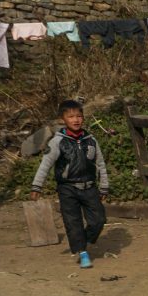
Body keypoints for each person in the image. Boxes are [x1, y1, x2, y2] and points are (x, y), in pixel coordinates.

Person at [30, 99, 109, 269]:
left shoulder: (91, 139)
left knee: (99, 220)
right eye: (71, 116)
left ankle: (84, 240)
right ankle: (82, 252)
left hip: (89, 187)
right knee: (73, 223)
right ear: (62, 119)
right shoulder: (58, 142)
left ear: (83, 118)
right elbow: (45, 165)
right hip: (67, 189)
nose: (75, 120)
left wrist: (104, 185)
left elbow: (100, 164)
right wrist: (37, 186)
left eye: (79, 116)